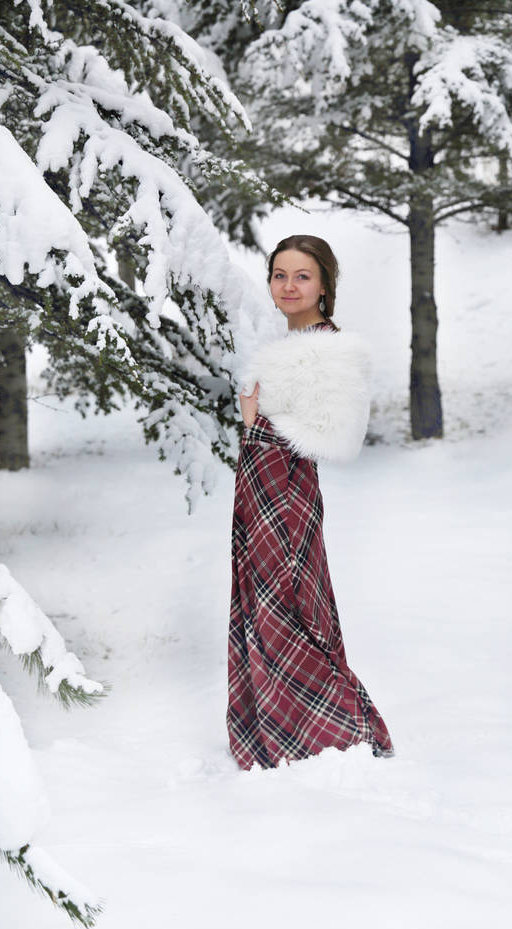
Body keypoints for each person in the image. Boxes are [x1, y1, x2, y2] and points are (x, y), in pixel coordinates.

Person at [226, 234, 394, 770]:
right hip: (259, 491)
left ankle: (343, 728)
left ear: (325, 285)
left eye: (302, 276)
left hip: (288, 495)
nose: (289, 286)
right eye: (280, 275)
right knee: (264, 604)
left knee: (291, 605)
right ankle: (277, 729)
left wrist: (257, 421)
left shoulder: (333, 349)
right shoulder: (282, 349)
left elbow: (337, 434)